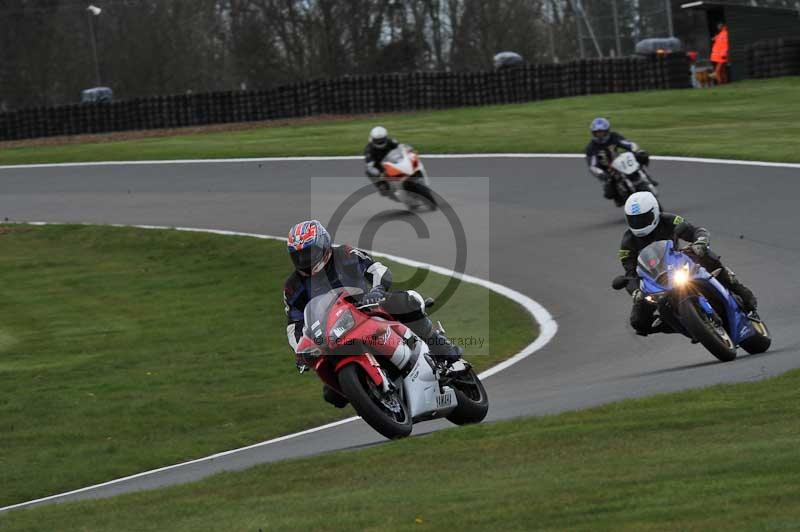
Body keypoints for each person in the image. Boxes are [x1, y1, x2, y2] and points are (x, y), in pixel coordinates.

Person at [283, 220, 463, 407]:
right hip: (332, 332)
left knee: (407, 302)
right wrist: (300, 350)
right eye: (299, 256)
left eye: (309, 253)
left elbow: (376, 269)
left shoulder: (344, 254)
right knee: (332, 394)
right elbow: (294, 325)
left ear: (324, 244)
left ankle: (447, 354)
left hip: (366, 307)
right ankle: (374, 399)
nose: (305, 260)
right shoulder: (293, 286)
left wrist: (377, 289)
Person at [619, 192, 758, 336]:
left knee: (703, 254)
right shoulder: (627, 241)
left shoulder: (669, 220)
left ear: (654, 211)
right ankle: (679, 323)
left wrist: (700, 242)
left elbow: (695, 231)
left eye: (643, 218)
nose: (638, 223)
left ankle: (738, 288)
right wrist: (635, 291)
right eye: (633, 220)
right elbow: (630, 273)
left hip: (677, 260)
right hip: (654, 279)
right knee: (638, 322)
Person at [585, 117, 651, 206]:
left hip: (620, 161)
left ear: (607, 131)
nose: (600, 135)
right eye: (597, 133)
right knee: (609, 192)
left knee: (641, 156)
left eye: (602, 132)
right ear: (593, 133)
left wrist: (635, 150)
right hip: (607, 170)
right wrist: (601, 173)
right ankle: (621, 198)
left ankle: (647, 177)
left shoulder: (613, 136)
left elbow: (627, 144)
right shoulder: (591, 147)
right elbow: (592, 165)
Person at [364, 126, 399, 196]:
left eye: (382, 140)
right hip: (381, 167)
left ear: (386, 137)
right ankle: (381, 185)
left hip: (394, 161)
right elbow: (370, 165)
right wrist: (379, 174)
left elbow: (401, 148)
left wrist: (408, 151)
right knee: (368, 171)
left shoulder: (391, 141)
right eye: (377, 140)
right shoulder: (369, 150)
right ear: (372, 139)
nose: (380, 142)